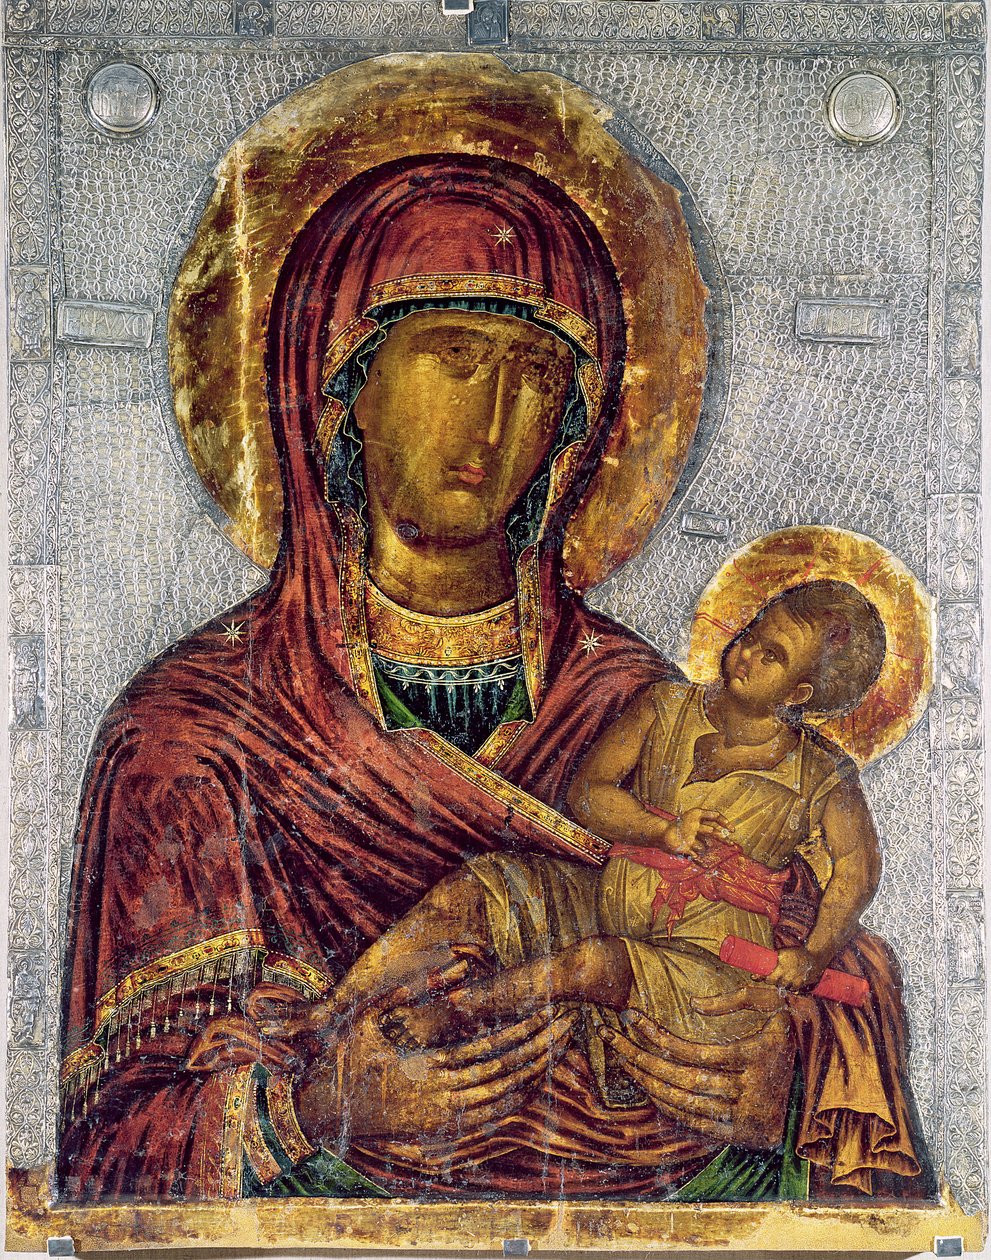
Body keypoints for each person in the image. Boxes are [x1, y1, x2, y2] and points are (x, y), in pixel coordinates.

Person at [58, 152, 927, 1204]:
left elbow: (800, 951)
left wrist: (790, 1086)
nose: (495, 415)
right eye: (455, 355)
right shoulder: (194, 730)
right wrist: (309, 1107)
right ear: (346, 385)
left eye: (540, 376)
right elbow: (103, 1153)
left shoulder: (639, 703)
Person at [374, 580, 888, 1075]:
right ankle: (346, 1007)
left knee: (593, 963)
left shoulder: (820, 775)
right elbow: (589, 794)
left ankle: (454, 1013)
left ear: (799, 692)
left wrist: (814, 954)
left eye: (771, 655)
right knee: (487, 882)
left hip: (708, 961)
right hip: (605, 907)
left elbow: (857, 871)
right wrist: (663, 833)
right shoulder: (666, 705)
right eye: (751, 634)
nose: (747, 653)